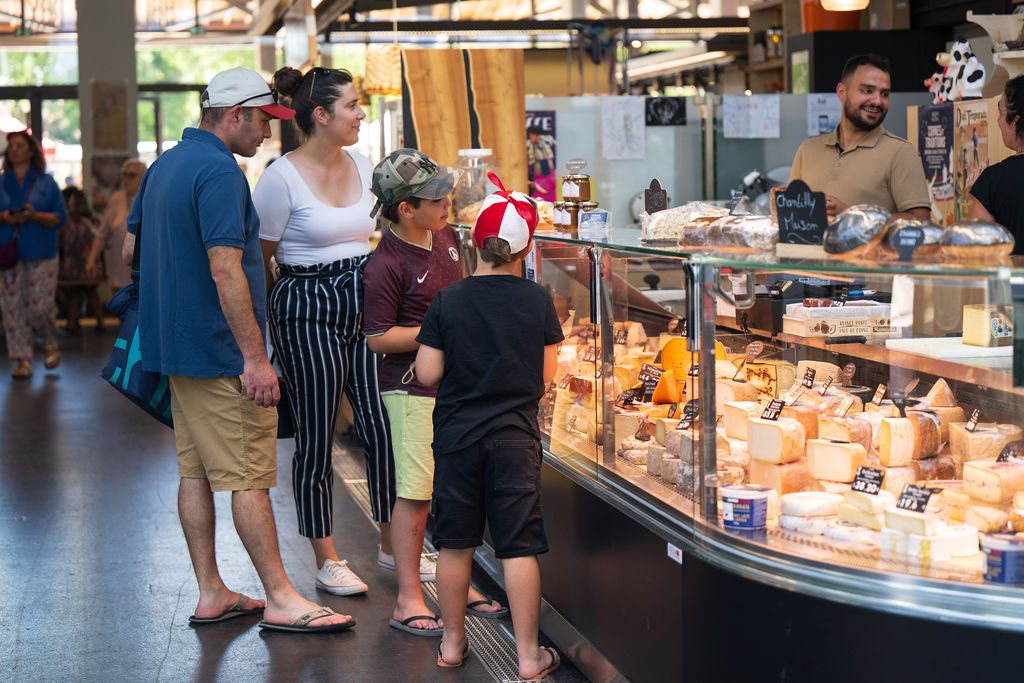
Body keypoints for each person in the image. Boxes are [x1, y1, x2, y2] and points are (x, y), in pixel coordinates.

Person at [129, 66, 352, 633]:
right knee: (250, 474)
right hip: (220, 351)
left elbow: (134, 250)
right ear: (235, 115)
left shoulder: (164, 166)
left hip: (175, 348)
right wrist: (256, 358)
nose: (268, 132)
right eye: (263, 120)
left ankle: (212, 591)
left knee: (197, 472)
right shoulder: (220, 172)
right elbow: (226, 268)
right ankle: (281, 596)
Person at [252, 65, 394, 597]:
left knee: (382, 427)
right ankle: (326, 557)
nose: (361, 114)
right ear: (321, 115)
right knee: (316, 436)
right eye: (352, 105)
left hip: (365, 299)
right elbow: (260, 259)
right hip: (306, 306)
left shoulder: (362, 163)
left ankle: (393, 545)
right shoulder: (280, 178)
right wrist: (274, 330)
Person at [415, 179, 562, 678]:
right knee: (518, 547)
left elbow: (429, 373)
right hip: (515, 440)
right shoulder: (538, 300)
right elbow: (547, 375)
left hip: (458, 439)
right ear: (525, 248)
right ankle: (529, 656)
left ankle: (452, 643)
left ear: (474, 243)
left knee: (455, 545)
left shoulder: (448, 300)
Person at [363, 149, 507, 637]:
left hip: (453, 385)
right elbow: (378, 338)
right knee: (416, 492)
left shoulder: (443, 234)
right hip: (410, 392)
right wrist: (443, 330)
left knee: (453, 486)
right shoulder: (385, 264)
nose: (448, 203)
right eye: (437, 198)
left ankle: (455, 584)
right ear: (406, 209)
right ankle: (407, 596)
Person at [789, 54, 931, 220]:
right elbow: (789, 212)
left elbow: (921, 221)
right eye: (867, 91)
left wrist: (851, 213)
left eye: (884, 94)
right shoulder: (808, 150)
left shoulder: (901, 152)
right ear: (842, 92)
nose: (877, 101)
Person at [0, 130, 68, 379]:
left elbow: (60, 218)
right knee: (12, 307)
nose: (15, 150)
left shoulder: (45, 183)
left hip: (41, 251)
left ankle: (49, 339)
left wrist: (33, 216)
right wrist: (5, 217)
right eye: (11, 146)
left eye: (20, 145)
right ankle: (22, 360)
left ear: (31, 150)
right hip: (9, 252)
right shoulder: (2, 182)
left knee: (40, 305)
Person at [970, 75, 1024, 253]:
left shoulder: (992, 180)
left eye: (1001, 112)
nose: (998, 121)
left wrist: (978, 194)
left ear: (1015, 119)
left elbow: (979, 251)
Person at [86, 159, 146, 299]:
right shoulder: (116, 199)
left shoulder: (149, 197)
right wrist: (92, 259)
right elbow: (102, 234)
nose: (126, 179)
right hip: (119, 267)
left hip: (144, 268)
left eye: (131, 175)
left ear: (143, 177)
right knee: (120, 304)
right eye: (124, 174)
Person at [57, 186, 104, 332]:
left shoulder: (67, 222)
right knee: (92, 292)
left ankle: (71, 322)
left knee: (74, 294)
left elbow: (61, 242)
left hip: (72, 267)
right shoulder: (94, 221)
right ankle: (100, 321)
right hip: (92, 266)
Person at [525, 126, 556, 202]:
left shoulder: (547, 140)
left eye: (536, 135)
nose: (534, 137)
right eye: (532, 135)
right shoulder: (528, 146)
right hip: (538, 176)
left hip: (551, 173)